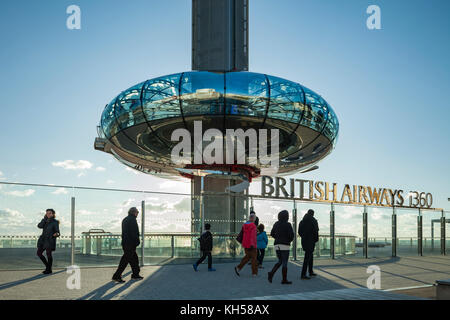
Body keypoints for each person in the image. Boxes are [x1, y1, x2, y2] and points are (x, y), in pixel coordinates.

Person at [112, 207, 143, 283]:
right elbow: (133, 233)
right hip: (130, 244)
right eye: (137, 212)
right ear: (133, 212)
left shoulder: (126, 219)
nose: (138, 213)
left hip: (126, 243)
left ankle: (135, 274)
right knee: (125, 260)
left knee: (134, 259)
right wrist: (136, 242)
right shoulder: (132, 220)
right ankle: (116, 276)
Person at [268, 210, 294, 284]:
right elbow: (291, 235)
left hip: (277, 244)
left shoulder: (276, 224)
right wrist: (288, 240)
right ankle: (284, 280)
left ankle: (271, 273)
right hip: (285, 244)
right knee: (285, 262)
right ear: (286, 216)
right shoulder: (288, 224)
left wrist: (278, 238)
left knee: (280, 261)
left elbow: (272, 233)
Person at [37, 209, 60, 274]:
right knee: (39, 253)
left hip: (50, 240)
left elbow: (58, 232)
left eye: (50, 213)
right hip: (43, 240)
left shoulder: (55, 222)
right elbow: (39, 226)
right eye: (47, 213)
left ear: (53, 214)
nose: (48, 214)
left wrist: (55, 234)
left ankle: (48, 269)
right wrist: (44, 220)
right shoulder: (44, 220)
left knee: (48, 254)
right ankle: (48, 267)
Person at [234, 213, 258, 277]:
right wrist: (252, 244)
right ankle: (254, 273)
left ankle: (238, 267)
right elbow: (252, 236)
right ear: (253, 218)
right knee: (254, 259)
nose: (255, 219)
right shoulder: (253, 226)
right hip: (252, 245)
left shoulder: (244, 225)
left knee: (247, 257)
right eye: (254, 218)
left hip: (245, 244)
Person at [298, 209, 319, 280]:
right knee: (307, 257)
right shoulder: (314, 221)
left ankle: (310, 271)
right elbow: (316, 231)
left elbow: (299, 231)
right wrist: (315, 239)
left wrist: (304, 237)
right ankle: (303, 274)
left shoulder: (302, 221)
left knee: (310, 255)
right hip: (311, 241)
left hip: (304, 240)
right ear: (313, 214)